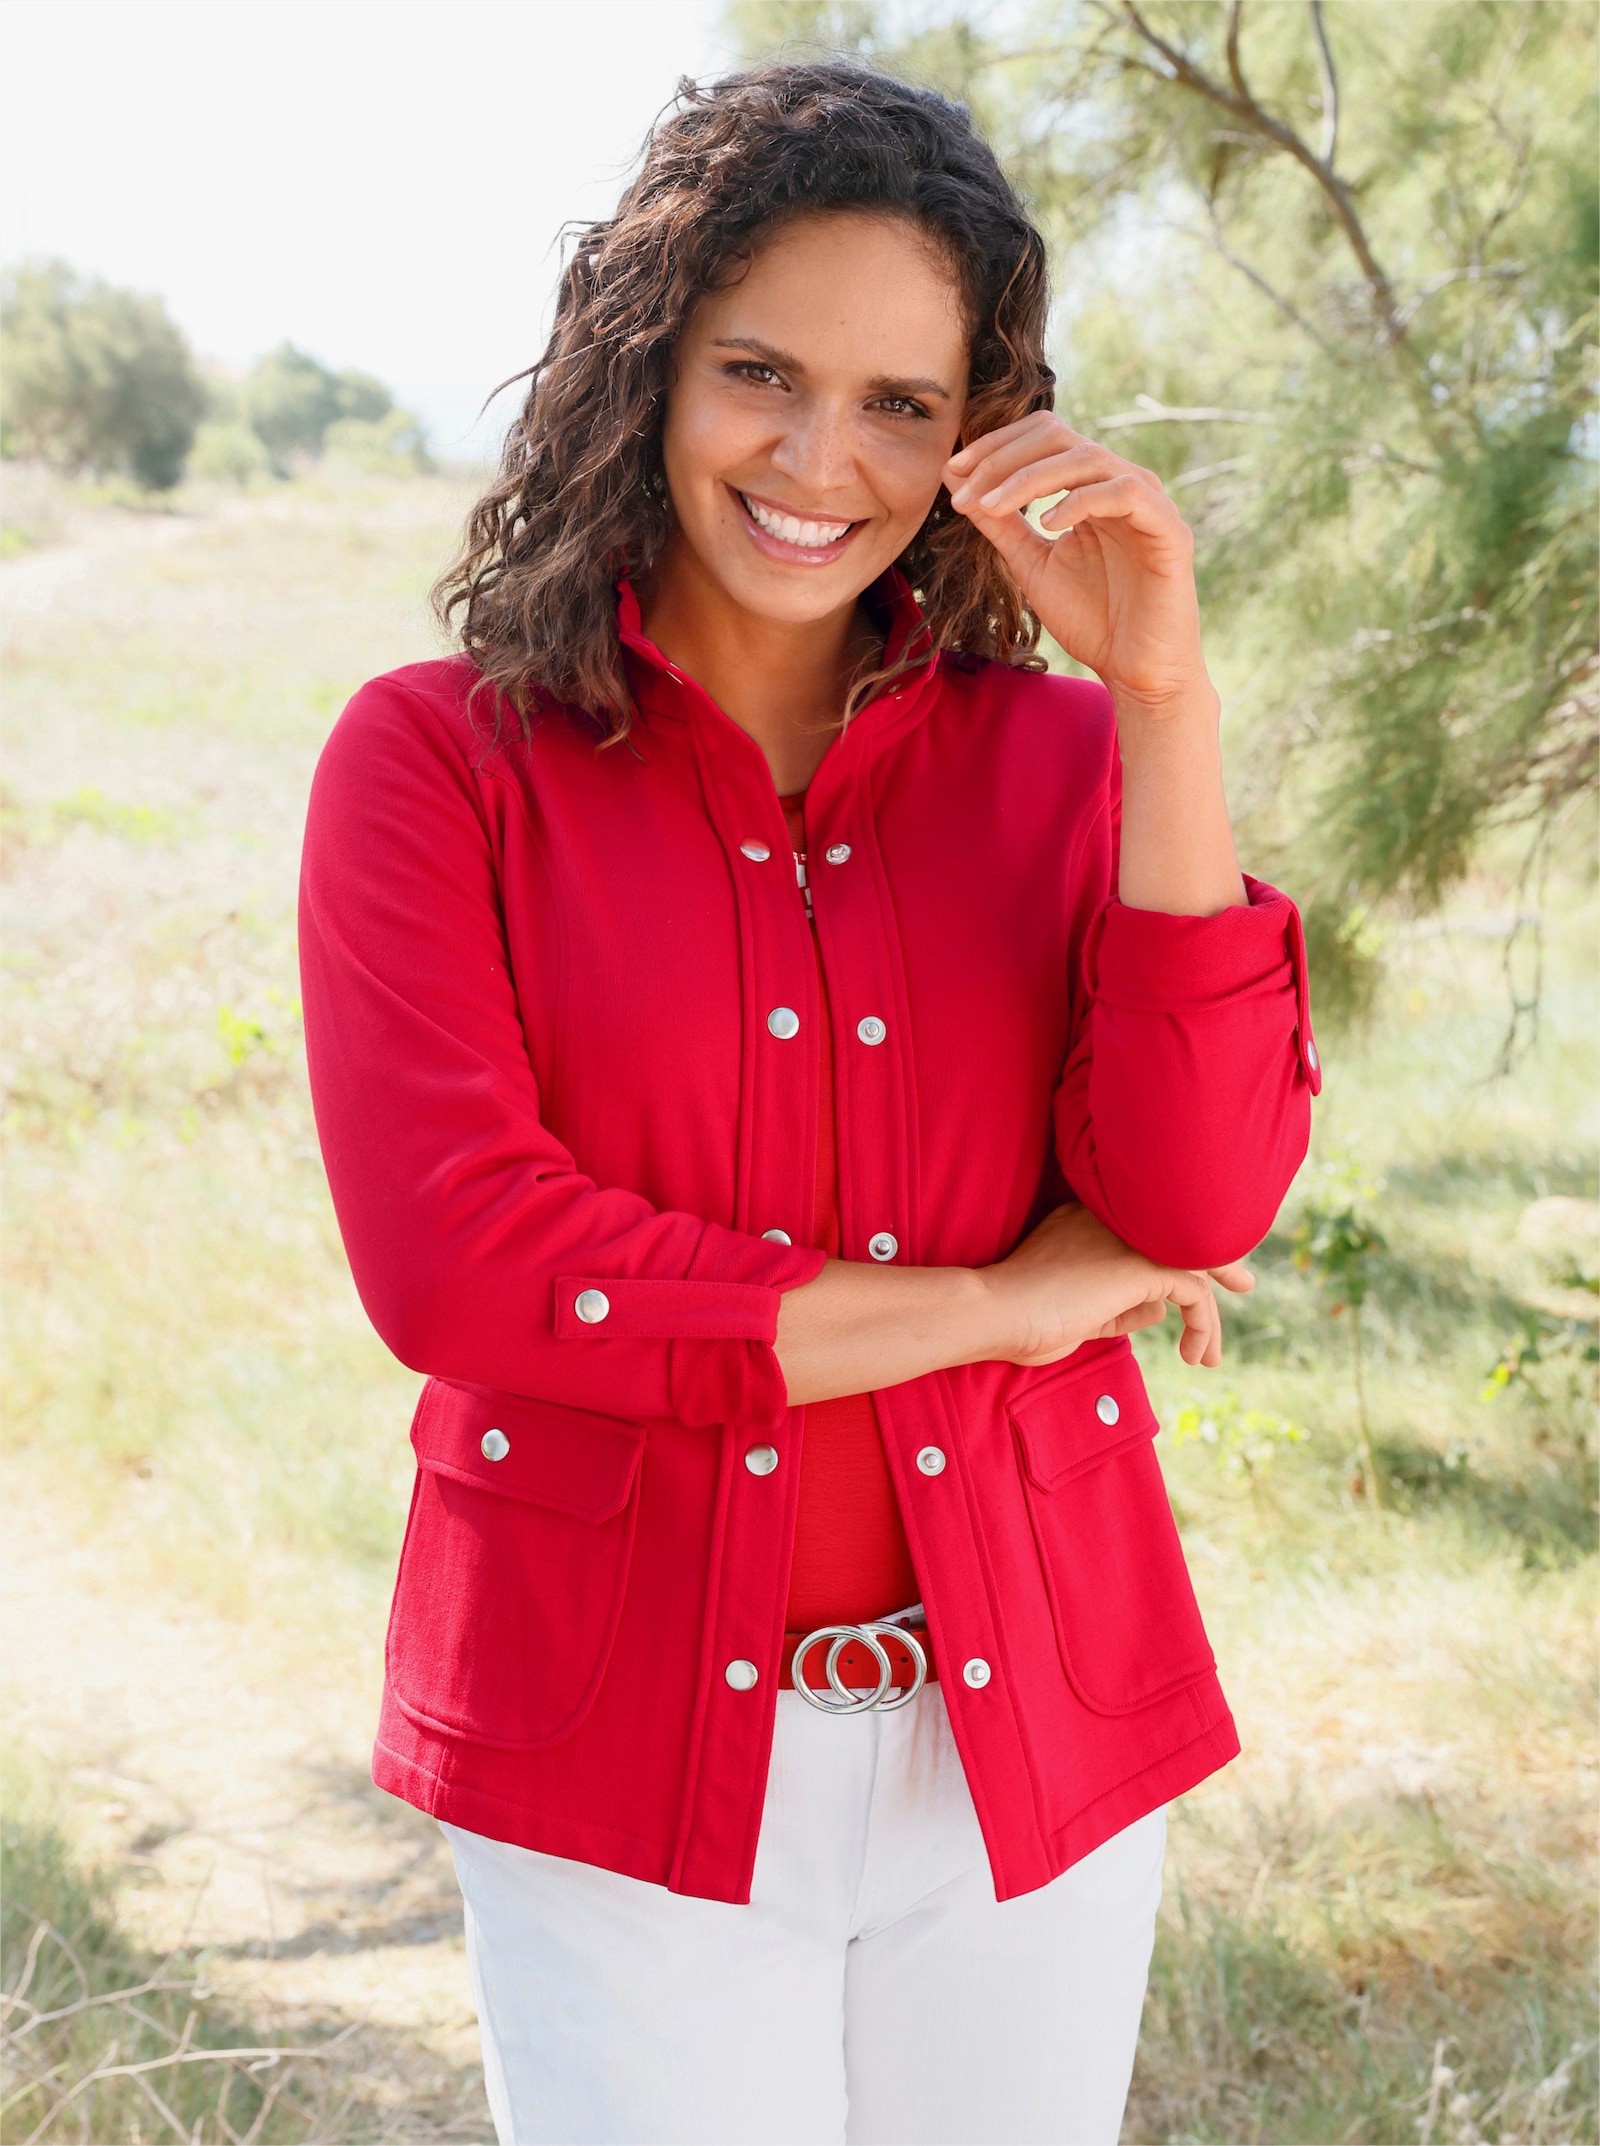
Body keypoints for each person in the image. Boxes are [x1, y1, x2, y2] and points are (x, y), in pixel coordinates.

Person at [298, 59, 1319, 2146]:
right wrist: (1000, 1304)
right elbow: (471, 1269)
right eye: (759, 372)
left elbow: (1200, 1192)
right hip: (614, 1739)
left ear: (976, 439)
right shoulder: (438, 764)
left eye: (898, 404)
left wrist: (1159, 696)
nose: (817, 458)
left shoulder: (1064, 768)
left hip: (1024, 1726)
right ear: (646, 367)